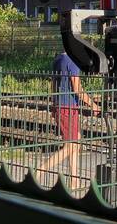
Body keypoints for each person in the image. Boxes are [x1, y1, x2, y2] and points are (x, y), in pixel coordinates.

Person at [40, 52, 99, 187]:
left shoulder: (59, 58)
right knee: (70, 146)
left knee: (75, 143)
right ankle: (39, 171)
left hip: (60, 105)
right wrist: (93, 104)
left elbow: (53, 85)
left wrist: (54, 104)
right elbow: (77, 89)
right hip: (68, 108)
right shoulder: (73, 61)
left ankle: (74, 181)